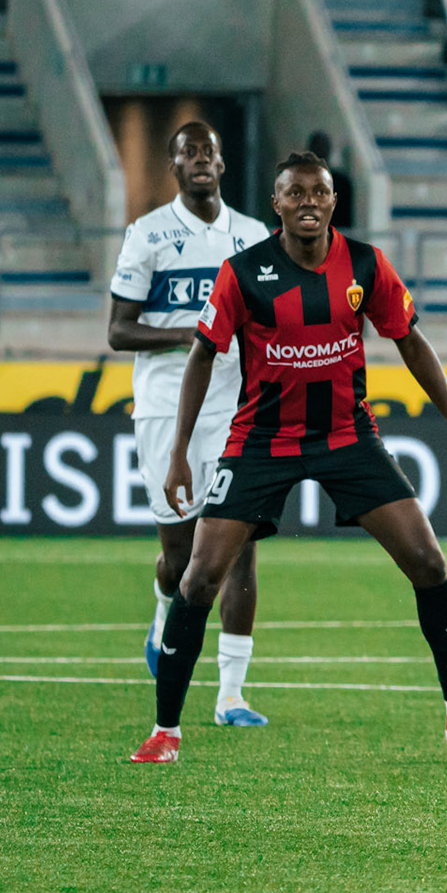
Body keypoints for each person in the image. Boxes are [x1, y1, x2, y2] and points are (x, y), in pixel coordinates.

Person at [128, 150, 447, 762]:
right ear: (276, 204)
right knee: (200, 576)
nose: (309, 201)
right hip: (261, 440)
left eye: (321, 192)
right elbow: (203, 355)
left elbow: (411, 342)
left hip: (346, 436)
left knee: (429, 563)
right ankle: (165, 732)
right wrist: (179, 451)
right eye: (296, 193)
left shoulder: (366, 264)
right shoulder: (243, 272)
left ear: (335, 201)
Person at [108, 121, 269, 727]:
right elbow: (119, 330)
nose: (201, 160)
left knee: (241, 548)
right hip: (163, 404)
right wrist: (194, 333)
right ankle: (161, 607)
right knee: (181, 560)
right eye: (188, 152)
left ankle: (232, 694)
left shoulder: (254, 237)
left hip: (236, 407)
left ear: (222, 164)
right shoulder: (147, 234)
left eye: (210, 150)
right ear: (173, 167)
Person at [305, 130, 353, 229]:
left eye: (322, 148)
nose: (320, 152)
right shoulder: (295, 182)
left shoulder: (342, 184)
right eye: (318, 148)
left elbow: (346, 221)